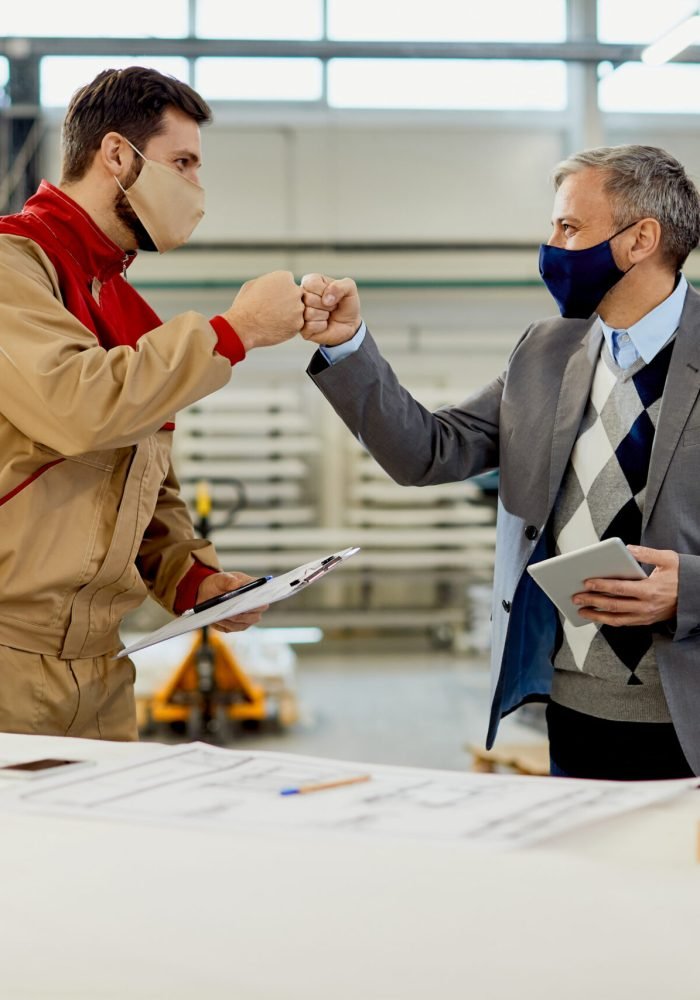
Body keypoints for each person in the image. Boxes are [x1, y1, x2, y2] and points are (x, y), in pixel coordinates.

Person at [299, 144, 700, 780]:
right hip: (575, 708)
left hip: (688, 711)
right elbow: (429, 451)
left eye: (569, 228)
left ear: (641, 239)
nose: (551, 246)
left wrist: (694, 588)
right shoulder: (545, 351)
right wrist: (348, 347)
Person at [0, 66, 305, 740]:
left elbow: (140, 485)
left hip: (99, 666)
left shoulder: (127, 305)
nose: (196, 188)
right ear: (117, 155)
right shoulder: (11, 268)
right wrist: (238, 332)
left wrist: (194, 582)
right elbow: (77, 407)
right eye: (184, 163)